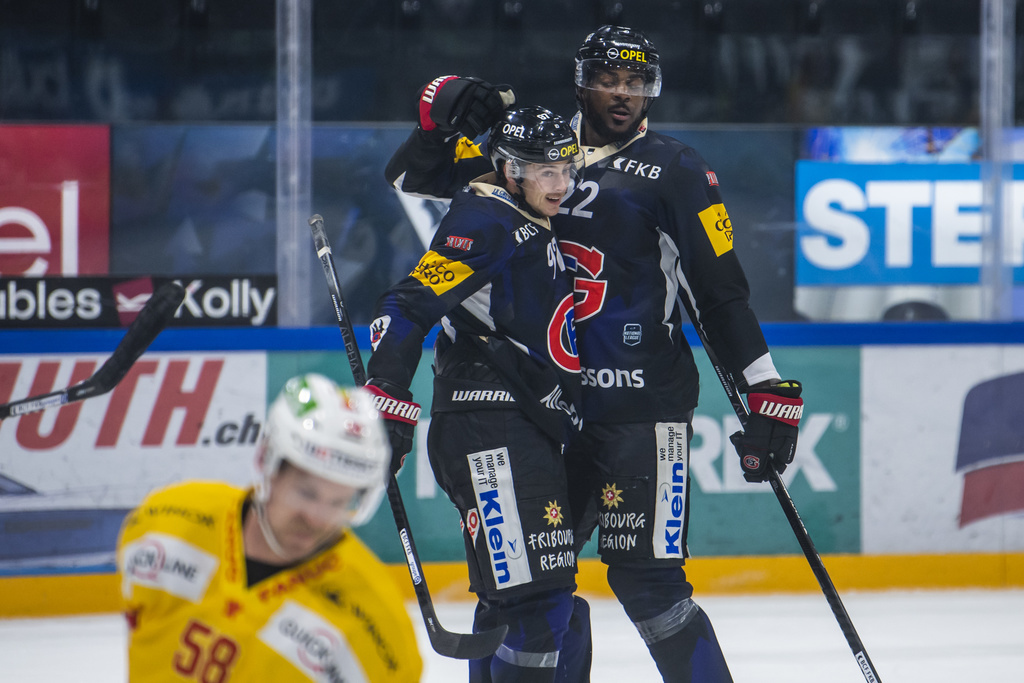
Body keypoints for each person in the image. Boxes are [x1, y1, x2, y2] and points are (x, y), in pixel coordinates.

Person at [383, 26, 805, 683]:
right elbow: (412, 176)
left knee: (650, 583)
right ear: (582, 80)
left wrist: (765, 385)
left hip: (644, 410)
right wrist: (441, 113)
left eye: (637, 84)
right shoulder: (535, 146)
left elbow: (721, 296)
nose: (623, 94)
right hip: (548, 414)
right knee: (520, 590)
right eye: (610, 79)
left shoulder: (680, 171)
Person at [363, 105, 592, 683]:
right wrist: (386, 397)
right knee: (539, 608)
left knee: (525, 604)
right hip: (492, 431)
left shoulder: (509, 198)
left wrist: (453, 115)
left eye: (567, 167)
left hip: (519, 426)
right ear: (511, 170)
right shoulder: (485, 223)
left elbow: (419, 171)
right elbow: (407, 305)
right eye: (545, 171)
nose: (561, 184)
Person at [117, 374, 423, 682]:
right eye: (306, 492)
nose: (318, 518)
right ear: (268, 464)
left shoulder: (378, 625)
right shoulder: (165, 525)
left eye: (338, 502)